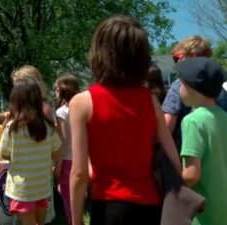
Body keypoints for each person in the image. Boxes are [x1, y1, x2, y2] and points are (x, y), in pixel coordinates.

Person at [69, 15, 181, 225]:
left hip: (109, 207)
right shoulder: (150, 101)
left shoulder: (81, 103)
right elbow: (174, 160)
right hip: (150, 207)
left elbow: (79, 174)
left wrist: (76, 221)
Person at [0, 77, 61, 225]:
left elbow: (4, 154)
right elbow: (56, 152)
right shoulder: (48, 126)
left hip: (22, 190)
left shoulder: (12, 128)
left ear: (15, 101)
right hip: (42, 186)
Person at [176, 57, 227, 225]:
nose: (179, 88)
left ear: (191, 87)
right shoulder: (223, 116)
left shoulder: (192, 121)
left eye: (181, 84)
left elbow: (191, 176)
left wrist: (169, 183)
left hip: (203, 214)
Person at [162, 36, 212, 151]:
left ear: (193, 56)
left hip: (186, 153)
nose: (177, 62)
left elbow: (167, 127)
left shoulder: (180, 85)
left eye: (179, 57)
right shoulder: (219, 85)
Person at [53, 72, 79, 225]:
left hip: (67, 160)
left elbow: (62, 139)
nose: (55, 91)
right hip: (80, 158)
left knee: (68, 197)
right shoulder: (79, 108)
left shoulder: (61, 112)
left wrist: (58, 163)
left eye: (56, 88)